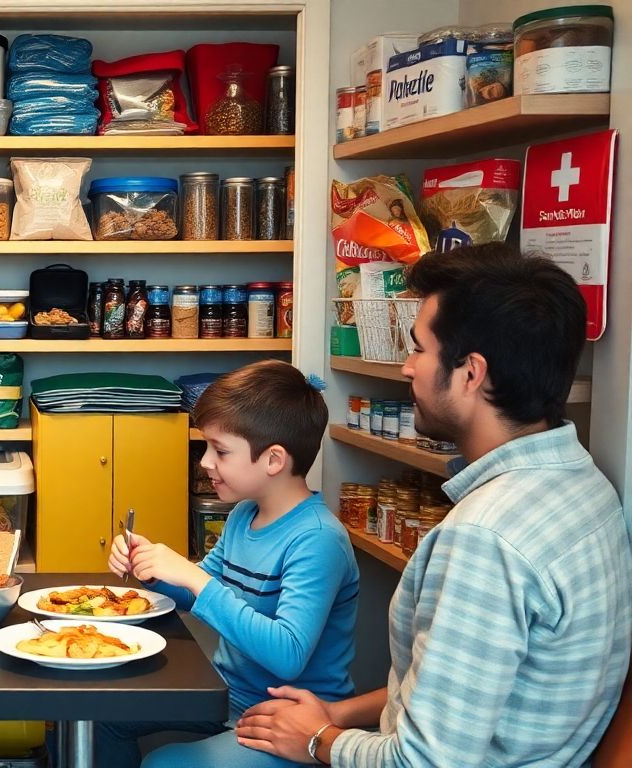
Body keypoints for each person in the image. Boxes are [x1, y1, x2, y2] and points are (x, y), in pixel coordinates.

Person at [236, 245, 632, 766]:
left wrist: (315, 741)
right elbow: (464, 693)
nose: (407, 368)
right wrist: (337, 713)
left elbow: (424, 762)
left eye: (418, 349)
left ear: (471, 373)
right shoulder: (583, 484)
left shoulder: (484, 540)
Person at [97, 360, 359, 768]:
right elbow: (194, 594)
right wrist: (151, 568)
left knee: (165, 765)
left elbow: (288, 654)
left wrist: (194, 578)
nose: (204, 461)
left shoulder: (318, 540)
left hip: (290, 721)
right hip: (225, 695)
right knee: (100, 718)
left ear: (273, 460)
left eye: (219, 450)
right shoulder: (243, 515)